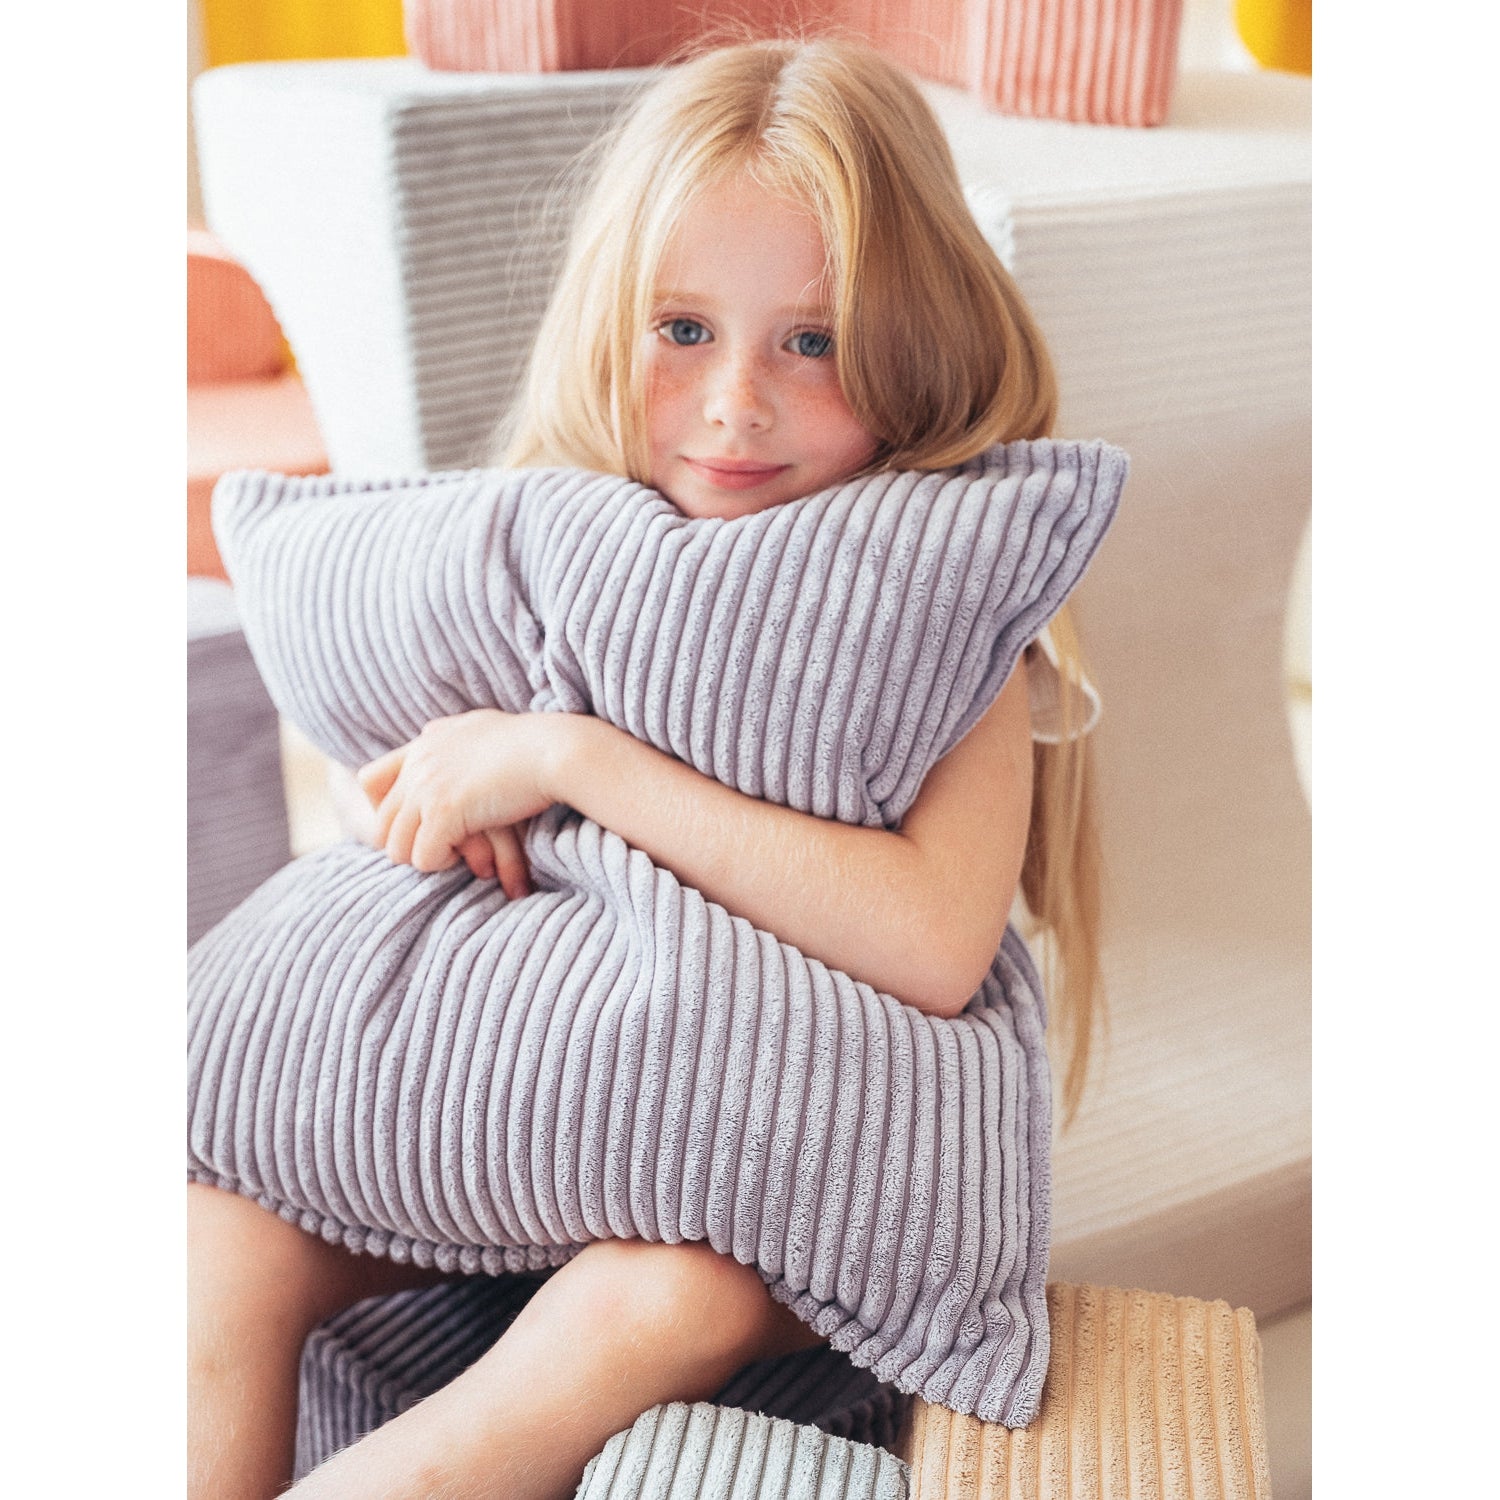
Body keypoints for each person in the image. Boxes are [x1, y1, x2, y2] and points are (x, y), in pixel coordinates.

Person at [187, 36, 1103, 1500]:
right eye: (684, 327)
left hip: (753, 1214)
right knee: (216, 1239)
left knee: (658, 1292)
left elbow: (935, 946)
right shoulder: (545, 554)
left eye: (813, 342)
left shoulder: (938, 625)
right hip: (498, 1144)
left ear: (916, 346)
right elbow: (395, 804)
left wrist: (576, 759)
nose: (737, 399)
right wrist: (442, 809)